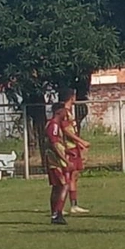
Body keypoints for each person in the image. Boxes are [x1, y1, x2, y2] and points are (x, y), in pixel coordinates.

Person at [56, 92, 91, 215]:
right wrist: (81, 141)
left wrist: (79, 144)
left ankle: (72, 205)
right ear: (72, 97)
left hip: (74, 147)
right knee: (69, 177)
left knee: (73, 176)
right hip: (69, 149)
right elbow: (66, 131)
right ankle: (62, 207)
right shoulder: (64, 113)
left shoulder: (68, 112)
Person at [43, 93, 72, 225]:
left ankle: (55, 214)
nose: (66, 114)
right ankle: (57, 213)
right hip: (55, 161)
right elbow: (54, 144)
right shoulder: (53, 125)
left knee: (57, 187)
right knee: (63, 185)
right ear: (59, 111)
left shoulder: (54, 124)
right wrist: (65, 161)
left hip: (56, 160)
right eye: (64, 111)